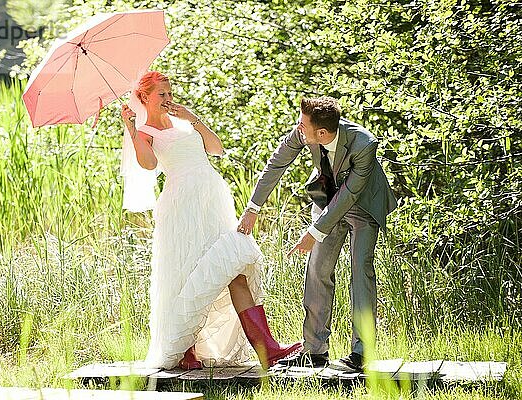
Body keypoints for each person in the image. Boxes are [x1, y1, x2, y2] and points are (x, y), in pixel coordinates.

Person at [119, 71, 302, 370]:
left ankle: (267, 349)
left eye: (169, 92)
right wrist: (131, 128)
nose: (168, 98)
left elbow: (216, 148)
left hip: (212, 200)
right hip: (183, 205)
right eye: (161, 94)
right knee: (186, 273)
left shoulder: (183, 121)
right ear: (145, 98)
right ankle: (184, 350)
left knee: (233, 267)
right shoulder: (146, 131)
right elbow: (149, 165)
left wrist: (193, 118)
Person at [237, 96, 397, 371]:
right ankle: (314, 350)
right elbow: (277, 164)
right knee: (317, 270)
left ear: (322, 133)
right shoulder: (305, 132)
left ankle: (362, 351)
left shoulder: (364, 144)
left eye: (302, 125)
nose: (298, 128)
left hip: (364, 204)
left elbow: (349, 195)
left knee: (361, 271)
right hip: (328, 201)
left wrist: (315, 231)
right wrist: (253, 208)